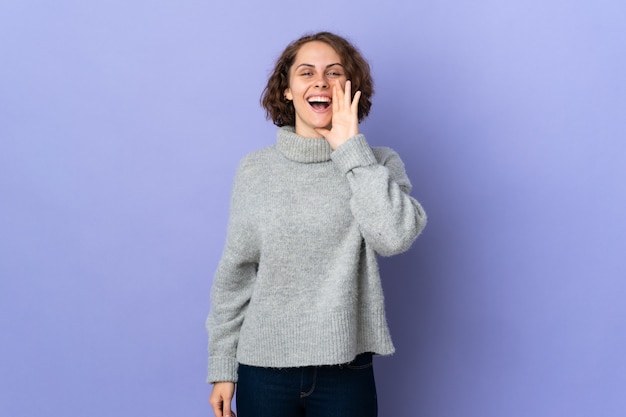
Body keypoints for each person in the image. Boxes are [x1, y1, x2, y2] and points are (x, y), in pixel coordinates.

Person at [206, 31, 427, 417]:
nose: (321, 81)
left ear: (350, 88)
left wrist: (349, 151)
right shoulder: (255, 170)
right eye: (306, 73)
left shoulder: (377, 163)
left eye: (334, 72)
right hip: (263, 370)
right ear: (288, 90)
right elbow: (235, 275)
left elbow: (394, 237)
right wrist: (222, 367)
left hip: (346, 369)